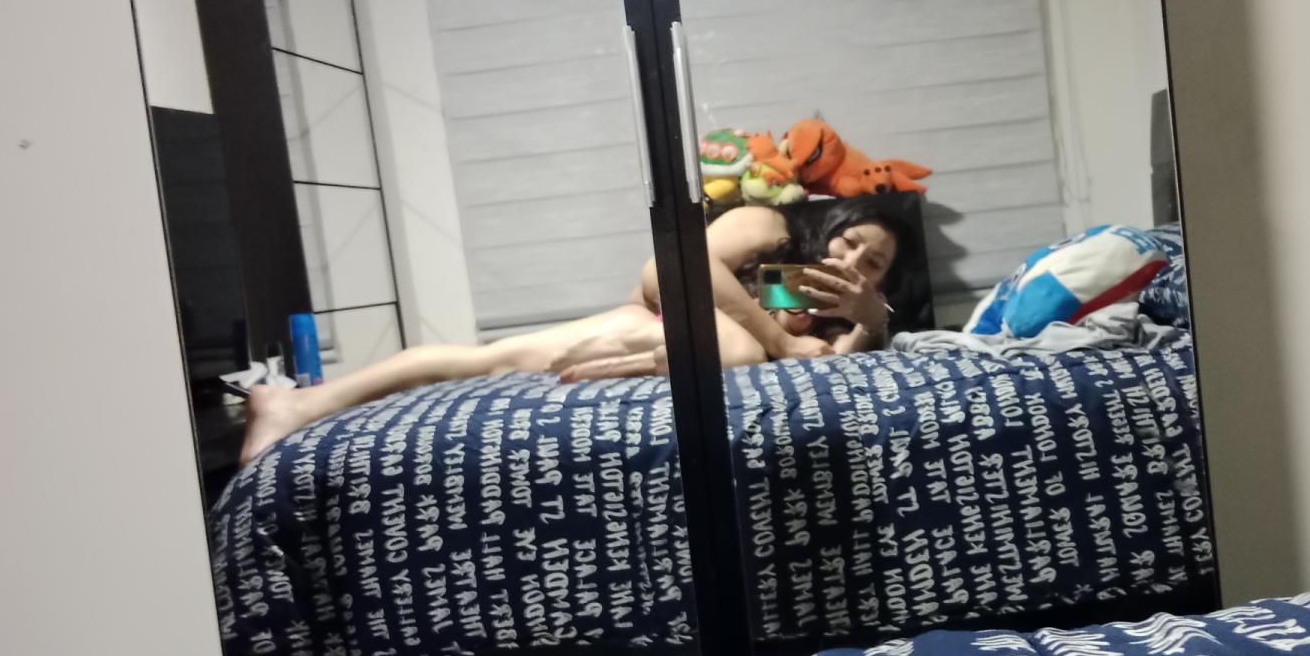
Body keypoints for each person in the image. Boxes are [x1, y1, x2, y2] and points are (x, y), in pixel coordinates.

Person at [239, 197, 919, 463]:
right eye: (851, 240)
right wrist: (779, 341)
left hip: (670, 354)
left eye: (874, 263)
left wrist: (868, 323)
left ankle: (305, 404)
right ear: (830, 225)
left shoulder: (830, 308)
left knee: (491, 363)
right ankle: (299, 403)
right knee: (487, 360)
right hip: (650, 322)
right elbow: (669, 267)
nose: (853, 259)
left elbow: (828, 372)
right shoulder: (772, 227)